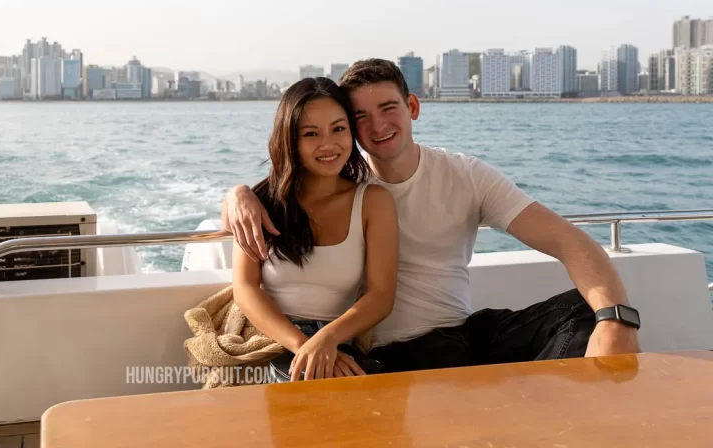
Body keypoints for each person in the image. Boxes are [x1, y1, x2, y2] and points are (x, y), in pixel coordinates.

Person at [223, 59, 640, 373]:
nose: (378, 125)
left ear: (413, 107)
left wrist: (615, 319)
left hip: (461, 335)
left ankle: (547, 417)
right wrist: (238, 194)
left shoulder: (467, 176)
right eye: (361, 117)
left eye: (389, 108)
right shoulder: (343, 180)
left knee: (586, 311)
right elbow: (285, 190)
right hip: (386, 352)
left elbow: (569, 242)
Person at [231, 76, 399, 381]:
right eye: (311, 134)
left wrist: (329, 340)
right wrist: (304, 346)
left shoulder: (373, 202)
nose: (328, 144)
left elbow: (381, 295)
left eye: (339, 128)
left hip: (338, 338)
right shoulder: (262, 202)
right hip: (273, 339)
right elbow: (244, 288)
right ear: (290, 140)